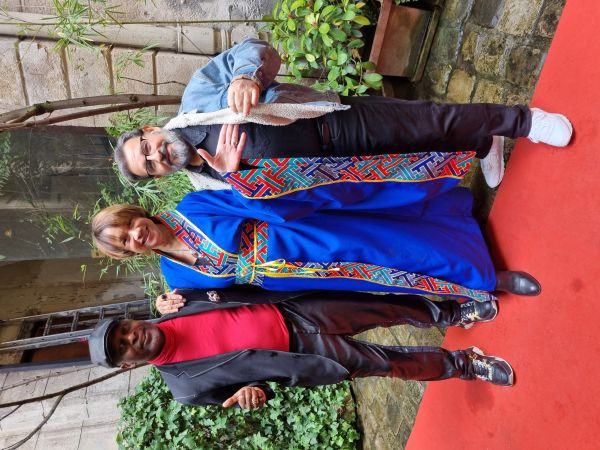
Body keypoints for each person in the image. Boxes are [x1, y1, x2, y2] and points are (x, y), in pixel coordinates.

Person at [112, 38, 573, 189]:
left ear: (150, 129)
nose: (157, 156)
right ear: (158, 176)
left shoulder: (197, 97)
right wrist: (236, 177)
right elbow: (270, 206)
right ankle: (482, 140)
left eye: (146, 147)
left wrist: (246, 77)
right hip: (340, 169)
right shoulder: (205, 182)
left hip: (334, 121)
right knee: (424, 144)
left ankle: (524, 121)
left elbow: (256, 50)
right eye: (149, 165)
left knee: (429, 120)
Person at [91, 152, 540, 301]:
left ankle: (488, 274)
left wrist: (241, 174)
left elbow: (248, 201)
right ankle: (475, 286)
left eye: (129, 226)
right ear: (132, 253)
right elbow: (220, 303)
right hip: (296, 278)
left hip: (300, 237)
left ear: (136, 214)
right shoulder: (174, 276)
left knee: (390, 248)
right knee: (388, 279)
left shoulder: (190, 207)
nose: (135, 235)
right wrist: (175, 308)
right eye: (126, 243)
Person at [88, 287, 513, 409]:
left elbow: (227, 279)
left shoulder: (179, 300)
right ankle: (465, 365)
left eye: (125, 329)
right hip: (303, 358)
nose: (133, 337)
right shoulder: (186, 389)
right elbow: (249, 392)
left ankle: (454, 313)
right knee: (387, 364)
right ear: (127, 365)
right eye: (124, 346)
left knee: (383, 307)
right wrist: (252, 394)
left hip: (296, 309)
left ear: (130, 320)